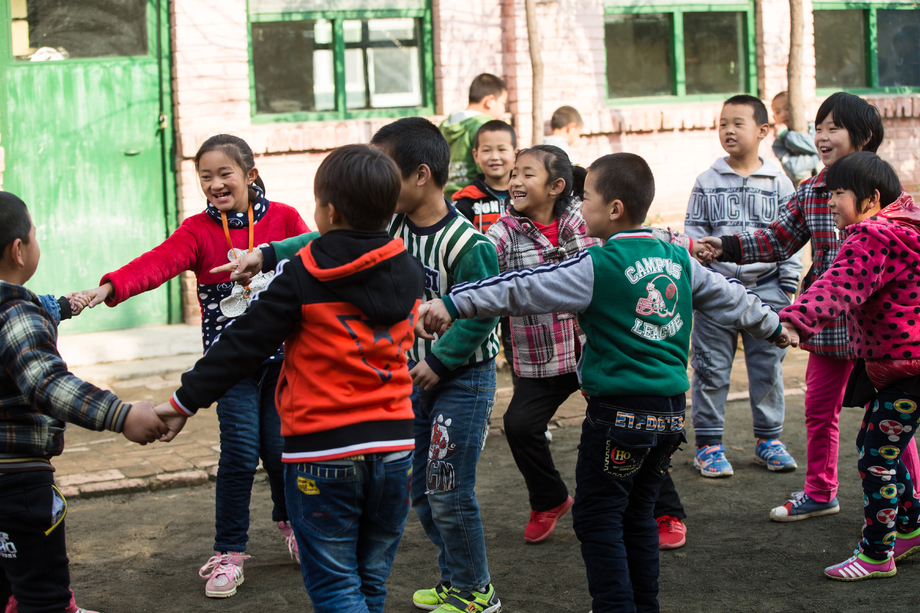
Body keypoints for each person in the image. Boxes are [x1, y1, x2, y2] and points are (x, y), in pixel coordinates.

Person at [420, 152, 789, 613]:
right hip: (670, 415)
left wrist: (455, 303)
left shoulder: (597, 263)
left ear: (614, 209)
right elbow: (733, 297)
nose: (581, 206)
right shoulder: (676, 257)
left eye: (586, 198)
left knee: (597, 519)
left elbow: (521, 286)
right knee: (636, 516)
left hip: (618, 418)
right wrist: (775, 326)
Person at [153, 144, 425, 612]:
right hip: (396, 450)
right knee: (369, 583)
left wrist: (182, 402)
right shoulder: (408, 268)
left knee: (337, 586)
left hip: (323, 451)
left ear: (329, 210)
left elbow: (242, 344)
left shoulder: (302, 274)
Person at [78, 135, 309, 598]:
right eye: (205, 176)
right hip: (230, 369)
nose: (215, 183)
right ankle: (229, 551)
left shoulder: (285, 219)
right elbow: (158, 262)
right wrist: (112, 287)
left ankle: (294, 527)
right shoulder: (197, 231)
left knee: (282, 452)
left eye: (225, 174)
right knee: (241, 454)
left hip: (285, 364)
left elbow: (312, 262)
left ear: (250, 174)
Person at [697, 92, 920, 522]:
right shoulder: (812, 191)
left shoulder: (885, 201)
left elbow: (857, 279)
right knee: (820, 409)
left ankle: (910, 510)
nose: (821, 136)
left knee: (892, 424)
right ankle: (821, 492)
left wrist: (792, 319)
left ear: (865, 135)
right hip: (829, 326)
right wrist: (724, 245)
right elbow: (776, 240)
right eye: (818, 127)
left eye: (833, 127)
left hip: (883, 333)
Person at [0, 191, 166, 613]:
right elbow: (44, 381)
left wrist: (66, 306)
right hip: (17, 481)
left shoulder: (25, 307)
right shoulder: (15, 311)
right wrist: (121, 414)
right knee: (43, 596)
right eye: (34, 234)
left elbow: (42, 307)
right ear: (19, 250)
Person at [377, 117, 502, 613]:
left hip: (464, 381)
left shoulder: (470, 245)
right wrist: (269, 254)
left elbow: (486, 311)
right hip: (415, 378)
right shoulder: (391, 227)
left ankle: (478, 593)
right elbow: (328, 244)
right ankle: (456, 579)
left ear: (421, 174)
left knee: (449, 489)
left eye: (386, 172)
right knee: (422, 490)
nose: (377, 183)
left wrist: (443, 361)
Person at [777, 152, 920, 580]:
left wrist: (795, 321)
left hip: (907, 369)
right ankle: (910, 528)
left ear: (872, 198)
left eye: (839, 193)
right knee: (879, 447)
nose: (831, 202)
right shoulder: (905, 228)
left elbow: (839, 286)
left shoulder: (871, 237)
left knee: (877, 456)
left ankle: (877, 554)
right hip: (903, 366)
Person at [485, 144, 601, 544]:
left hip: (594, 350)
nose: (515, 180)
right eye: (514, 173)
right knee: (519, 425)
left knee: (625, 424)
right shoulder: (501, 234)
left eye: (526, 173)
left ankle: (664, 511)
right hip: (542, 356)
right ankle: (548, 497)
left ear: (556, 186)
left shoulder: (585, 219)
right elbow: (481, 277)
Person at [684, 94, 802, 478]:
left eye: (738, 123)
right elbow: (693, 234)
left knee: (767, 368)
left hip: (767, 291)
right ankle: (709, 445)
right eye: (723, 124)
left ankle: (769, 440)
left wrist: (786, 289)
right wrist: (699, 270)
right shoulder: (705, 180)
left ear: (763, 130)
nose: (728, 130)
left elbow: (792, 240)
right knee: (710, 368)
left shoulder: (782, 183)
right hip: (715, 292)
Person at [440, 73, 509, 200]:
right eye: (503, 103)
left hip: (449, 200)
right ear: (490, 101)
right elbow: (489, 171)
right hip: (476, 201)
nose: (503, 110)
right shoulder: (484, 126)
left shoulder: (445, 125)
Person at [452, 120, 516, 234]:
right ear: (476, 156)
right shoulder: (466, 201)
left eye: (502, 149)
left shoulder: (527, 195)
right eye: (486, 150)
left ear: (515, 155)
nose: (494, 157)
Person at [771, 91, 822, 186]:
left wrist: (786, 136)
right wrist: (820, 155)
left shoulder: (815, 128)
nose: (783, 114)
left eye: (787, 108)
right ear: (774, 117)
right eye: (778, 112)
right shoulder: (778, 144)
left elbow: (817, 145)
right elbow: (794, 170)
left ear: (801, 108)